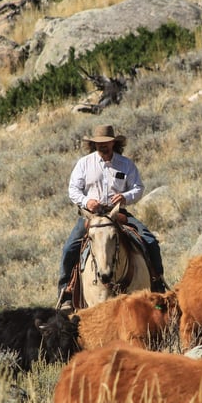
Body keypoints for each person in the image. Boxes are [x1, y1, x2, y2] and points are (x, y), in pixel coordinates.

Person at [57, 124, 166, 309]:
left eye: (106, 143)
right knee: (69, 249)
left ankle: (158, 286)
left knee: (150, 241)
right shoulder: (84, 163)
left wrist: (125, 196)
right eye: (98, 143)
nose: (102, 146)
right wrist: (87, 202)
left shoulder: (126, 164)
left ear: (114, 143)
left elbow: (138, 188)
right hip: (91, 216)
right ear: (93, 144)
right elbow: (73, 190)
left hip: (118, 214)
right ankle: (66, 293)